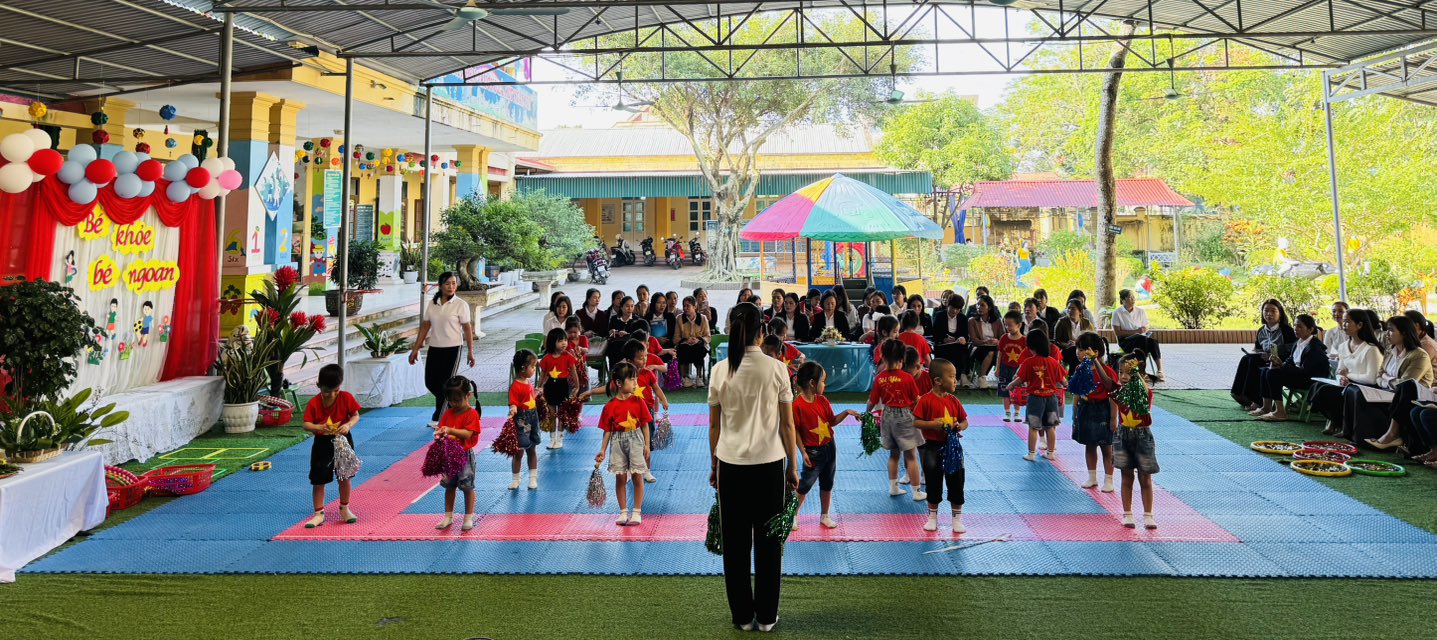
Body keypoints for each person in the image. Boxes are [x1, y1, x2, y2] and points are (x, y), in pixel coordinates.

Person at [707, 302, 799, 632]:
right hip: (770, 466)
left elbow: (714, 427)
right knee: (769, 544)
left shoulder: (720, 370)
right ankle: (767, 617)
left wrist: (714, 465)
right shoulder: (777, 369)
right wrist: (792, 466)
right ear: (762, 332)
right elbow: (787, 426)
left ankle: (743, 617)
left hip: (730, 465)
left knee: (735, 546)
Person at [1343, 316, 1433, 446]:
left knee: (1363, 393)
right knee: (1353, 389)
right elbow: (1379, 376)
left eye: (1391, 330)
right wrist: (1387, 380)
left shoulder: (1419, 355)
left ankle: (1386, 435)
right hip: (1387, 390)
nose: (1387, 334)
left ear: (1404, 333)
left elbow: (1405, 384)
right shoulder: (1390, 350)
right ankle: (1352, 433)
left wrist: (1386, 378)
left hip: (1409, 397)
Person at [792, 362, 857, 531]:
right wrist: (803, 451)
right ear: (812, 383)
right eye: (822, 381)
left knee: (827, 483)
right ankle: (793, 515)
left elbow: (832, 421)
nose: (824, 385)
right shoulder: (797, 405)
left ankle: (825, 515)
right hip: (813, 451)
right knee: (805, 485)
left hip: (829, 447)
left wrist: (847, 412)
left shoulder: (822, 400)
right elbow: (795, 430)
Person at [409, 272, 476, 427]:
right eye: (447, 283)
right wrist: (415, 349)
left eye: (454, 283)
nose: (451, 287)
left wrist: (470, 351)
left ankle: (441, 417)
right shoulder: (433, 304)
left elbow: (467, 329)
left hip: (453, 349)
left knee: (447, 384)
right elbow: (425, 327)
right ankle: (451, 409)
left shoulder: (460, 304)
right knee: (431, 382)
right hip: (435, 347)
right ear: (440, 286)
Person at [912, 358, 969, 533]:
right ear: (938, 381)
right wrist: (932, 424)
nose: (955, 380)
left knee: (957, 480)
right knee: (933, 480)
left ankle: (957, 519)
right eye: (952, 377)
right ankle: (932, 518)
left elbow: (965, 421)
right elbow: (916, 422)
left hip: (953, 447)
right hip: (932, 446)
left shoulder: (954, 400)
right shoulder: (926, 400)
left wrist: (960, 426)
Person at [302, 364, 361, 529]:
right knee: (318, 479)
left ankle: (345, 508)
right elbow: (306, 424)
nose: (331, 394)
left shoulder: (346, 397)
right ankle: (319, 514)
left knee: (345, 477)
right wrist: (318, 427)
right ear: (318, 385)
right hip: (322, 444)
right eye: (327, 391)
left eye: (335, 390)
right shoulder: (314, 403)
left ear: (339, 386)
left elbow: (355, 415)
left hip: (343, 441)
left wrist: (348, 425)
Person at [866, 339, 926, 501]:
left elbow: (872, 401)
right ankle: (916, 491)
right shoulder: (907, 378)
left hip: (887, 417)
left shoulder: (880, 378)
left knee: (893, 455)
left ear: (883, 358)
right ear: (902, 359)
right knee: (911, 455)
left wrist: (866, 414)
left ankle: (893, 487)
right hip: (904, 417)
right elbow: (916, 400)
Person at [596, 362, 654, 526]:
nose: (636, 383)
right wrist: (602, 449)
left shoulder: (639, 401)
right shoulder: (610, 406)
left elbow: (645, 425)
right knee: (620, 477)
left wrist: (647, 445)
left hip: (636, 440)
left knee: (637, 475)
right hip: (617, 442)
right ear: (619, 383)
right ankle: (623, 512)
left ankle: (636, 512)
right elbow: (607, 430)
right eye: (632, 379)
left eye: (636, 379)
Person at [1310, 309, 1384, 436]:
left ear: (1360, 325)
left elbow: (1372, 378)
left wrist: (1348, 376)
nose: (1344, 325)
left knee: (1329, 391)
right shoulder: (1344, 346)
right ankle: (1338, 422)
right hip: (1348, 384)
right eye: (1344, 322)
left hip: (1365, 388)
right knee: (1318, 387)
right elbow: (1340, 371)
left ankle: (1344, 426)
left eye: (1347, 322)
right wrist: (1341, 378)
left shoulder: (1371, 349)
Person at [1113, 352, 1159, 530]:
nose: (1124, 376)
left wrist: (1137, 374)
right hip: (1123, 436)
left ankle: (1148, 515)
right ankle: (1127, 514)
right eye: (1121, 372)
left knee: (1145, 477)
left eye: (1129, 373)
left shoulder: (1144, 392)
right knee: (1126, 476)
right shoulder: (1119, 392)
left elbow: (1145, 391)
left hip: (1142, 436)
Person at [1253, 314, 1329, 421]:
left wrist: (1283, 367)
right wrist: (1280, 363)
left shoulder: (1315, 348)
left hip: (1309, 380)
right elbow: (1291, 360)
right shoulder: (1298, 342)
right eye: (1295, 325)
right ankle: (1266, 407)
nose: (1295, 329)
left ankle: (1280, 411)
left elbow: (1306, 372)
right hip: (1298, 374)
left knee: (1272, 373)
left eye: (1299, 326)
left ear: (1310, 329)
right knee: (1266, 370)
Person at [1070, 332, 1119, 492]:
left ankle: (1109, 479)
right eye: (1078, 349)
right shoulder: (1079, 368)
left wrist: (1113, 418)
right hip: (1085, 409)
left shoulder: (1107, 371)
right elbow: (1077, 391)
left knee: (1106, 447)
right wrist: (1075, 411)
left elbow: (1113, 395)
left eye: (1082, 349)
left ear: (1095, 352)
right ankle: (1092, 477)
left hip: (1102, 410)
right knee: (1089, 445)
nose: (1078, 352)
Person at [432, 375, 481, 531]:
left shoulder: (472, 414)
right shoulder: (448, 413)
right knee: (449, 485)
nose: (454, 404)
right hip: (450, 455)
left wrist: (450, 430)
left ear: (468, 396)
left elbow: (467, 434)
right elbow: (443, 429)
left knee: (467, 486)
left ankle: (468, 517)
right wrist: (439, 433)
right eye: (451, 400)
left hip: (464, 456)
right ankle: (448, 516)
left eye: (458, 400)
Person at [1009, 329, 1066, 462]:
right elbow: (1063, 380)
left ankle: (1031, 454)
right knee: (1051, 427)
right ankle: (1051, 453)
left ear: (1031, 347)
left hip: (1035, 399)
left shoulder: (1029, 362)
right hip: (1051, 399)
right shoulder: (1054, 362)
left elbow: (1020, 379)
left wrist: (1011, 385)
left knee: (1033, 427)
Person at [1231, 298, 1297, 411]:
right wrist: (1255, 352)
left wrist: (1272, 354)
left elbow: (1292, 350)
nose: (1269, 314)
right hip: (1264, 358)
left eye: (1273, 311)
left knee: (1254, 361)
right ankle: (1238, 393)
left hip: (1281, 359)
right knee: (1246, 358)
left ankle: (1257, 400)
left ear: (1280, 313)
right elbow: (1257, 348)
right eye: (1266, 310)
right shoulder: (1261, 330)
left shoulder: (1286, 330)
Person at [625, 338, 668, 484]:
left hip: (647, 413)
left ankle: (647, 470)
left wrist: (664, 400)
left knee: (647, 443)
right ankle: (630, 470)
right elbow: (613, 389)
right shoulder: (625, 376)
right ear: (629, 360)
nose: (644, 360)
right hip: (631, 414)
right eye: (640, 358)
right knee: (631, 442)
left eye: (645, 357)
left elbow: (656, 388)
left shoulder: (648, 373)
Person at [538, 328, 582, 449]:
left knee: (562, 414)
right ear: (552, 342)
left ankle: (560, 439)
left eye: (565, 340)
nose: (564, 343)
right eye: (560, 341)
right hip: (550, 386)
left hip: (563, 386)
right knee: (552, 414)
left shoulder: (568, 356)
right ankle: (552, 439)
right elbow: (543, 374)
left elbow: (573, 372)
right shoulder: (547, 358)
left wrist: (577, 386)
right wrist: (539, 386)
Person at [508, 350, 543, 490]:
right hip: (523, 421)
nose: (534, 369)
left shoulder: (527, 382)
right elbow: (513, 402)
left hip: (532, 418)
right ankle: (515, 479)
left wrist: (536, 393)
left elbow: (529, 399)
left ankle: (533, 478)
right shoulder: (515, 386)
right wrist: (513, 408)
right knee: (519, 451)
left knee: (532, 449)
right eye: (532, 366)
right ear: (523, 368)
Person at [1112, 289, 1165, 381]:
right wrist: (1136, 331)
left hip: (1141, 338)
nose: (1133, 299)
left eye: (1134, 297)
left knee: (1153, 342)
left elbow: (1146, 325)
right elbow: (1117, 332)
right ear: (1123, 300)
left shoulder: (1141, 311)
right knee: (1141, 339)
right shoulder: (1117, 313)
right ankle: (1142, 372)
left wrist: (1144, 329)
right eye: (1130, 297)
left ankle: (1160, 371)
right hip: (1126, 341)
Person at [998, 311, 1028, 420]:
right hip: (1005, 368)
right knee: (1005, 390)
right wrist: (998, 368)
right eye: (1005, 325)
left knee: (1017, 391)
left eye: (1010, 325)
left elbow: (1027, 358)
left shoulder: (1024, 340)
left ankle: (1017, 412)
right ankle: (1007, 412)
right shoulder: (1004, 338)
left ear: (1019, 325)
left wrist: (1024, 372)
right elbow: (1000, 354)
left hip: (1018, 369)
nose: (1007, 327)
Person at [968, 295, 1003, 388]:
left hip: (995, 347)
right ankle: (982, 377)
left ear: (989, 307)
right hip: (979, 347)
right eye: (978, 305)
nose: (979, 307)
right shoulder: (972, 321)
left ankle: (982, 377)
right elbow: (974, 340)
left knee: (994, 352)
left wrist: (996, 341)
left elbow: (1003, 338)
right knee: (990, 352)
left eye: (982, 305)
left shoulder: (997, 321)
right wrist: (985, 341)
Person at [932, 295, 971, 380]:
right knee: (947, 353)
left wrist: (962, 338)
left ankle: (960, 375)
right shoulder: (939, 316)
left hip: (957, 345)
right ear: (948, 305)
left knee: (964, 351)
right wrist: (944, 339)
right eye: (952, 308)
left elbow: (965, 335)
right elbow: (935, 333)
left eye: (957, 309)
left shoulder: (963, 318)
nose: (954, 311)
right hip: (943, 345)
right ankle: (946, 377)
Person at [677, 295, 712, 388]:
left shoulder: (703, 318)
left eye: (688, 306)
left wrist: (698, 339)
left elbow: (708, 336)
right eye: (684, 306)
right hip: (685, 344)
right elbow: (676, 338)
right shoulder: (679, 318)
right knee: (684, 349)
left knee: (699, 348)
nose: (685, 308)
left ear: (694, 307)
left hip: (699, 344)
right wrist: (686, 340)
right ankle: (685, 378)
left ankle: (699, 377)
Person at [606, 296, 647, 369]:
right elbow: (609, 333)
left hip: (631, 346)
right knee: (612, 349)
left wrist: (628, 334)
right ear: (621, 307)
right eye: (627, 306)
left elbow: (639, 336)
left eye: (632, 306)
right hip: (615, 345)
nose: (630, 308)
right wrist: (612, 331)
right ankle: (614, 371)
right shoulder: (614, 319)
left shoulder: (637, 320)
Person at [1053, 298, 1095, 370]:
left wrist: (1078, 343)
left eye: (1073, 308)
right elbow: (1056, 341)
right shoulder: (1061, 322)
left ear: (1080, 311)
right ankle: (1076, 372)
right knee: (1073, 352)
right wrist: (1066, 344)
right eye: (1068, 308)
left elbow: (1092, 339)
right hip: (1068, 351)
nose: (1070, 310)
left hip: (1083, 350)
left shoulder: (1086, 323)